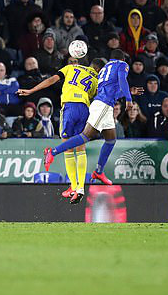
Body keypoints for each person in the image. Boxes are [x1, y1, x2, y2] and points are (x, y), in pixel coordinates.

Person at [43, 50, 141, 203]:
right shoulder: (121, 65)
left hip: (104, 105)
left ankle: (98, 172)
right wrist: (129, 99)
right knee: (85, 136)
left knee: (110, 139)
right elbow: (122, 79)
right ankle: (53, 152)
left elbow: (112, 92)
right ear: (122, 59)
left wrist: (128, 92)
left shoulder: (104, 72)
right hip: (102, 105)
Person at [19, 58, 105, 201]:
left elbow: (52, 80)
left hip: (70, 107)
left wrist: (31, 90)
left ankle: (73, 185)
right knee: (81, 148)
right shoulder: (96, 80)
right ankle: (80, 188)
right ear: (99, 70)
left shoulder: (71, 68)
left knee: (68, 149)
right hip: (84, 108)